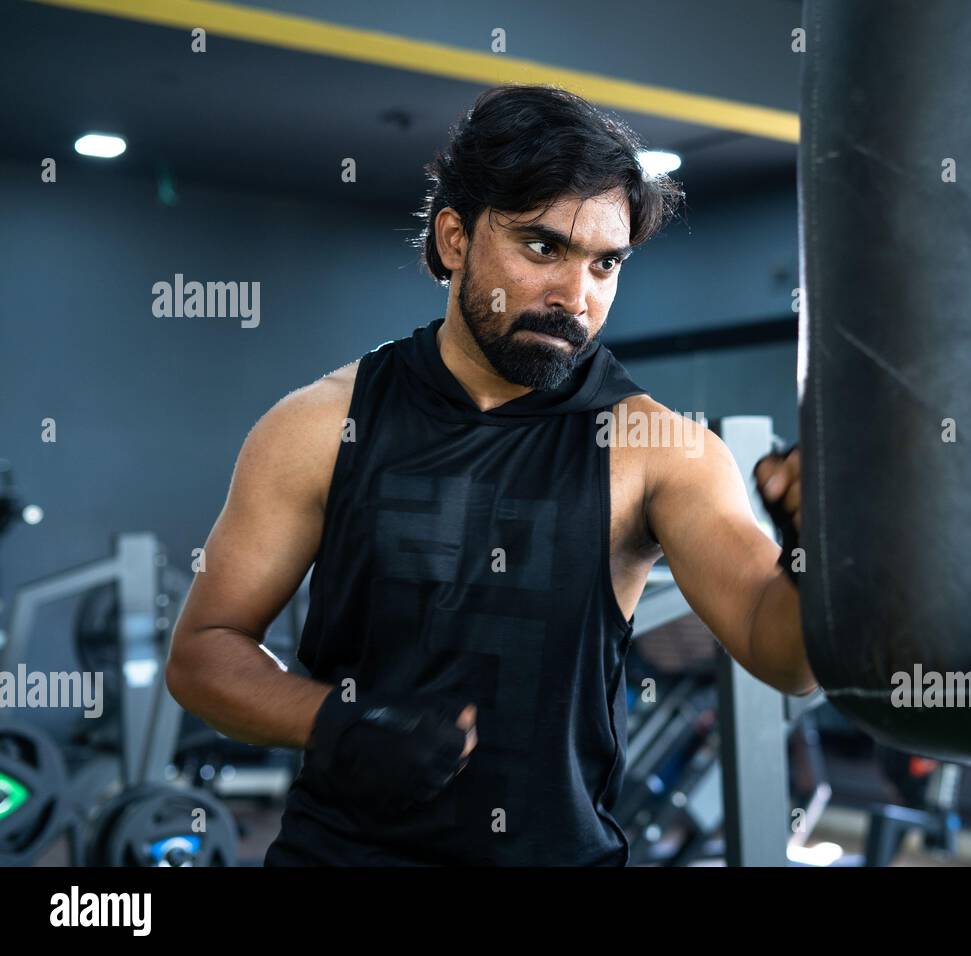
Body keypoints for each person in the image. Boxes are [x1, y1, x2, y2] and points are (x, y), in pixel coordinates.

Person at [166, 83, 814, 866]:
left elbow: (785, 658)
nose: (576, 297)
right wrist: (334, 722)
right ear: (452, 239)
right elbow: (204, 652)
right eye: (542, 248)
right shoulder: (318, 426)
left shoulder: (657, 448)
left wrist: (813, 556)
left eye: (605, 264)